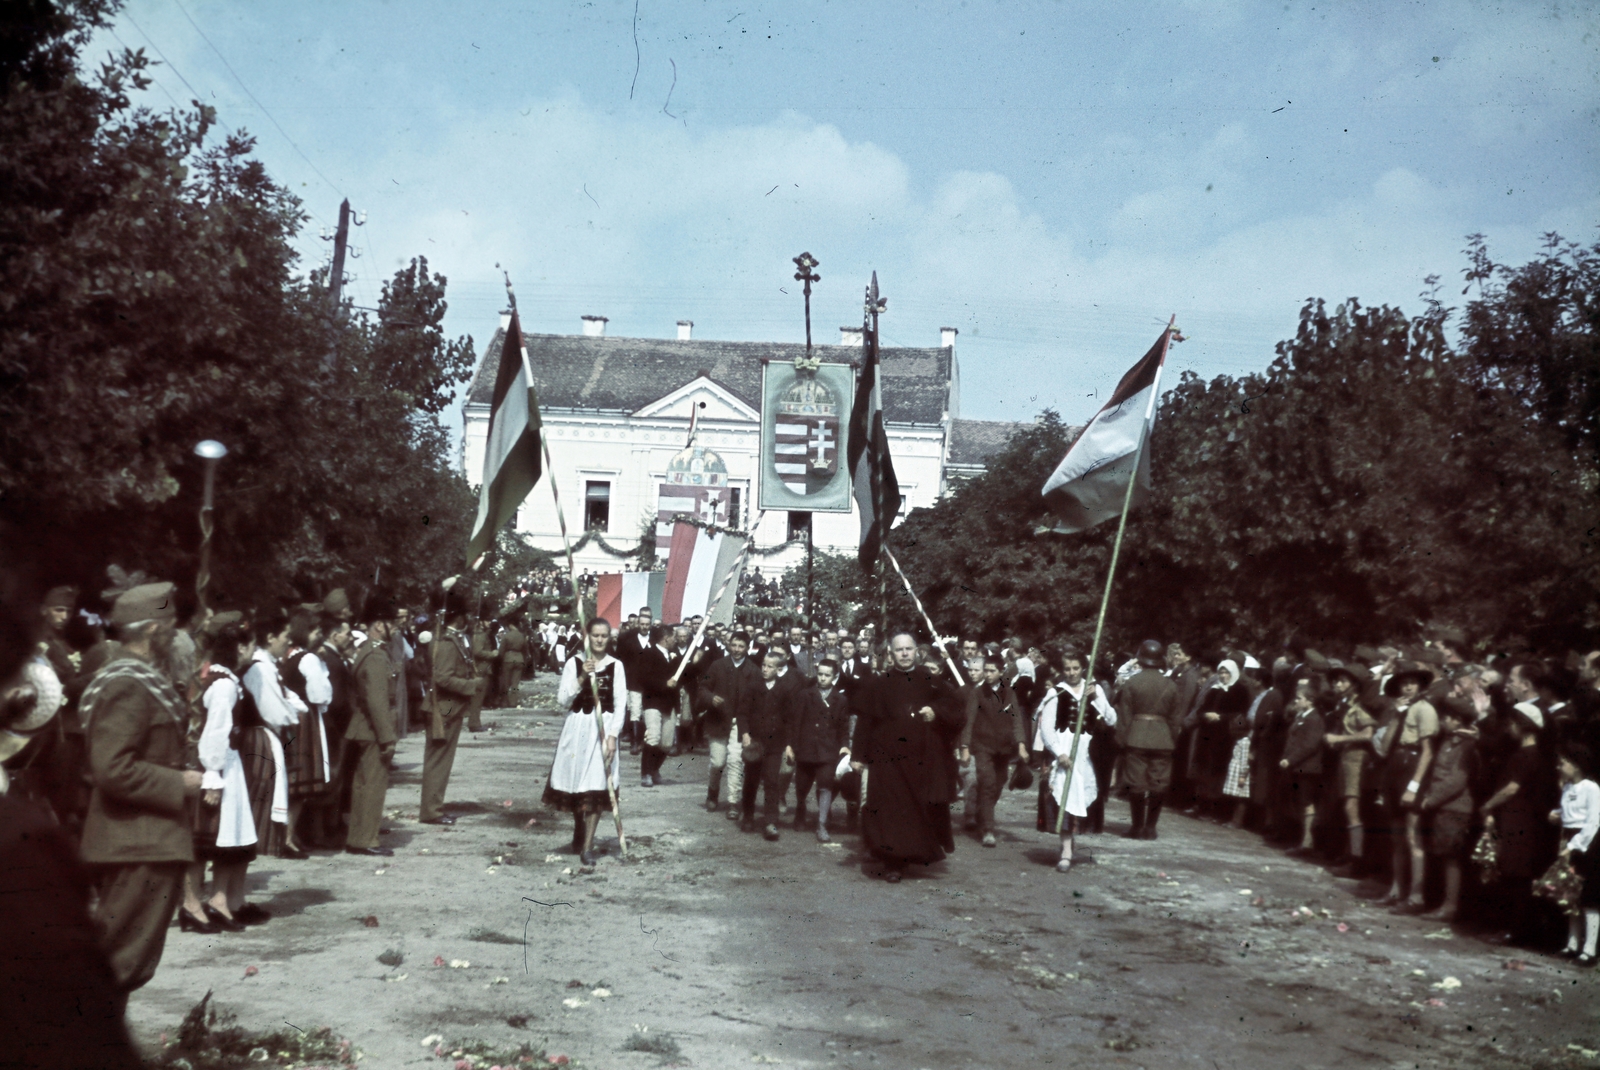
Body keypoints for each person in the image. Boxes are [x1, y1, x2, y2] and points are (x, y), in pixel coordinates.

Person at [76, 582, 206, 1017]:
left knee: (126, 961)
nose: (178, 635)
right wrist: (180, 783)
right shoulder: (128, 684)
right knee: (119, 961)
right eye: (171, 626)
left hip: (143, 841)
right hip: (136, 844)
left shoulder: (141, 678)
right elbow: (112, 768)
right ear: (153, 629)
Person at [852, 632, 965, 881]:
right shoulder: (879, 684)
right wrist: (858, 755)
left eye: (908, 649)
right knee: (889, 810)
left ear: (916, 651)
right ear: (891, 654)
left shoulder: (931, 681)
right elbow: (865, 722)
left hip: (920, 759)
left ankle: (910, 855)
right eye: (899, 650)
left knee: (914, 812)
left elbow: (956, 710)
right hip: (887, 759)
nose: (904, 654)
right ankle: (892, 862)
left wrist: (935, 712)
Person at [543, 618, 625, 865]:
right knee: (576, 784)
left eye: (604, 636)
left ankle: (587, 847)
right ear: (587, 637)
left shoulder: (616, 666)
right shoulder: (574, 663)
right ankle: (579, 829)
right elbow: (562, 700)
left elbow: (621, 704)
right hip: (577, 730)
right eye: (595, 635)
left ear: (609, 638)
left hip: (603, 731)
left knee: (597, 784)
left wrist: (613, 736)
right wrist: (581, 678)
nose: (599, 640)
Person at [1034, 654, 1115, 873]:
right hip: (1062, 751)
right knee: (1063, 797)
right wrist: (1059, 753)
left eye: (1076, 668)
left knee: (1081, 798)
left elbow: (1111, 719)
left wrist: (1096, 697)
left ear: (1083, 668)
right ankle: (1066, 851)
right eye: (1067, 668)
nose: (1071, 673)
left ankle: (1069, 844)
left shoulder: (1094, 690)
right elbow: (1046, 728)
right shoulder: (1056, 692)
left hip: (1086, 753)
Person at [242, 610, 304, 859]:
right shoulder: (260, 668)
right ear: (270, 637)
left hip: (266, 736)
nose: (289, 641)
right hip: (258, 737)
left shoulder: (269, 666)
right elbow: (275, 711)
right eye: (285, 636)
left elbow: (289, 698)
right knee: (258, 795)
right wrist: (292, 714)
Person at [420, 585, 484, 825]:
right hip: (445, 707)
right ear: (458, 617)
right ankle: (431, 811)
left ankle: (434, 807)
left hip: (449, 706)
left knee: (441, 761)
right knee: (438, 761)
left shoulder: (452, 638)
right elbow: (442, 678)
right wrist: (471, 685)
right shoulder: (447, 642)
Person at [1378, 663, 1439, 909]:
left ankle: (1416, 896)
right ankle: (1396, 890)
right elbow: (1384, 748)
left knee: (1413, 837)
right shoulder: (1400, 711)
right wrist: (1396, 716)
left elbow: (1428, 752)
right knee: (1397, 838)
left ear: (1420, 686)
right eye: (1404, 684)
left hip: (1413, 768)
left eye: (1412, 683)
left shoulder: (1425, 709)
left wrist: (1414, 785)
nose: (1408, 687)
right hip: (1396, 765)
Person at [1416, 696, 1479, 921]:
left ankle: (1450, 907)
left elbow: (1457, 779)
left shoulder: (1467, 745)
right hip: (1444, 807)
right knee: (1443, 855)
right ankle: (1442, 902)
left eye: (1448, 718)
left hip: (1455, 808)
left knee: (1451, 858)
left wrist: (1431, 799)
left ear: (1458, 720)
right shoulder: (1449, 740)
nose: (1443, 721)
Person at [345, 592, 398, 858]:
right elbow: (378, 703)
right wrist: (388, 738)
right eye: (391, 623)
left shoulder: (370, 651)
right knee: (372, 786)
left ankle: (359, 835)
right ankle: (365, 838)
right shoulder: (376, 657)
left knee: (363, 784)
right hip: (373, 730)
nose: (395, 628)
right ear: (379, 624)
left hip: (365, 727)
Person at [1114, 640, 1183, 840]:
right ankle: (1151, 828)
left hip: (1136, 737)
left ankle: (1137, 827)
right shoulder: (1171, 685)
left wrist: (1121, 740)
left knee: (1136, 783)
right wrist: (1172, 739)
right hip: (1163, 739)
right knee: (1158, 783)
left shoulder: (1132, 683)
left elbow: (1124, 716)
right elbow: (1175, 718)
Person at [960, 656, 1029, 847]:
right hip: (982, 746)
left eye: (992, 671)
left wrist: (1021, 744)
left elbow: (1016, 719)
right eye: (986, 670)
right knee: (988, 783)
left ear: (1001, 672)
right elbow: (968, 721)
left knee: (999, 783)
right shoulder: (977, 693)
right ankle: (988, 830)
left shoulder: (1009, 693)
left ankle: (981, 813)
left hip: (1004, 748)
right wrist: (965, 747)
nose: (988, 674)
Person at [787, 658, 850, 841]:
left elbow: (843, 727)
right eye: (820, 674)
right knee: (802, 786)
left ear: (835, 677)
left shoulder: (840, 699)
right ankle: (800, 809)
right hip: (806, 749)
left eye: (827, 675)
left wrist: (844, 745)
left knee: (825, 785)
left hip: (828, 751)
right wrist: (791, 746)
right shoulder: (805, 695)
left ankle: (822, 825)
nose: (822, 678)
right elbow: (795, 723)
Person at [1324, 663, 1376, 872]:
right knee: (1346, 807)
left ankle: (1357, 860)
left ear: (1355, 685)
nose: (1338, 684)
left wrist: (1339, 739)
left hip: (1356, 757)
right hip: (1346, 757)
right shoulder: (1346, 704)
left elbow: (1368, 733)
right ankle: (1349, 854)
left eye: (1343, 681)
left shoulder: (1361, 706)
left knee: (1352, 807)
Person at [698, 630, 757, 815]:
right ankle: (712, 792)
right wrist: (711, 698)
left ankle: (733, 801)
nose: (737, 649)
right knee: (717, 762)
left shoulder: (753, 670)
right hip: (718, 720)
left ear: (747, 648)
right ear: (729, 645)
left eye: (741, 646)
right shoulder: (718, 665)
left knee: (735, 761)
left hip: (740, 723)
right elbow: (703, 687)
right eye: (734, 645)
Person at [1552, 743, 1600, 963]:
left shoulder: (1592, 788)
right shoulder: (1568, 787)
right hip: (1569, 839)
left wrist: (1574, 846)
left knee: (1589, 897)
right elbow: (1569, 813)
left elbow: (1593, 822)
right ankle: (1572, 944)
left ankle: (1589, 950)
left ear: (1576, 765)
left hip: (1587, 844)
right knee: (1570, 895)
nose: (1559, 767)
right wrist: (1556, 814)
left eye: (1563, 763)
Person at [738, 650, 791, 840]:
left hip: (775, 745)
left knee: (771, 781)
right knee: (751, 780)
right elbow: (742, 713)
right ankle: (748, 816)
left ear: (779, 669)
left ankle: (770, 822)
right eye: (764, 665)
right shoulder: (753, 686)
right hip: (755, 743)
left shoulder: (784, 690)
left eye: (770, 666)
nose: (765, 669)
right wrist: (745, 734)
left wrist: (788, 744)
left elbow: (789, 719)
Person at [1279, 680, 1327, 858]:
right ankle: (1301, 840)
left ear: (1310, 700)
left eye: (1299, 698)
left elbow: (1310, 745)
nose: (1296, 701)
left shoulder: (1315, 719)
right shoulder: (1301, 717)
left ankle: (1307, 843)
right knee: (1299, 803)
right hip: (1297, 767)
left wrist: (1290, 760)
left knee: (1306, 804)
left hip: (1307, 769)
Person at [633, 623, 680, 787]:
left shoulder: (674, 656)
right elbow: (643, 679)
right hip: (652, 702)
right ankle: (645, 773)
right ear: (666, 638)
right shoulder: (648, 654)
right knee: (653, 736)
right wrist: (664, 684)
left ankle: (654, 769)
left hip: (669, 704)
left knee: (666, 743)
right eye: (673, 637)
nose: (675, 640)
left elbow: (683, 677)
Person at [498, 616, 528, 707]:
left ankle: (505, 702)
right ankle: (513, 702)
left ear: (511, 625)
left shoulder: (506, 636)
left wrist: (500, 660)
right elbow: (525, 650)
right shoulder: (522, 636)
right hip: (519, 659)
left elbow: (501, 650)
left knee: (506, 682)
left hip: (508, 659)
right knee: (515, 683)